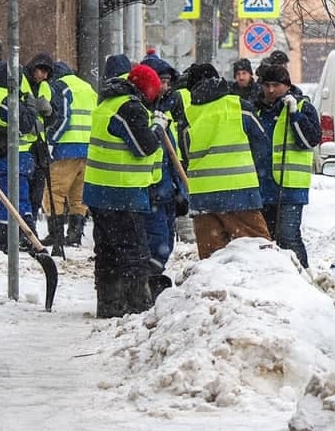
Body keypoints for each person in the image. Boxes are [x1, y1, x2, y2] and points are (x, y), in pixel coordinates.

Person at [83, 63, 165, 318]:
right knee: (134, 253)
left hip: (100, 192)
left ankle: (109, 305)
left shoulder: (108, 104)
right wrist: (158, 128)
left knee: (107, 252)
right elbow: (144, 147)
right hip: (122, 192)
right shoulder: (129, 108)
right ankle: (137, 307)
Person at [181, 74, 271, 258]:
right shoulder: (239, 107)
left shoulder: (190, 115)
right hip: (239, 192)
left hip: (202, 196)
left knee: (212, 259)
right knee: (258, 253)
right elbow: (262, 144)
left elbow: (185, 153)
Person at [250, 62, 321, 267]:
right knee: (265, 240)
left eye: (276, 85)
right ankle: (276, 280)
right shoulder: (257, 110)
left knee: (288, 237)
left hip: (290, 187)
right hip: (263, 187)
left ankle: (302, 278)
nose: (271, 90)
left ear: (287, 86)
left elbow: (308, 140)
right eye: (266, 85)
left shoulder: (302, 107)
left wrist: (294, 116)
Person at [0, 59, 51, 252]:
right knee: (20, 199)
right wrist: (31, 106)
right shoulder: (7, 100)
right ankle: (27, 236)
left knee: (0, 201)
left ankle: (4, 238)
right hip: (12, 156)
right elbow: (26, 122)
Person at [139, 54, 190, 296]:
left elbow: (173, 157)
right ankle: (147, 283)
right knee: (157, 242)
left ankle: (152, 279)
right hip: (152, 192)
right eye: (161, 82)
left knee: (166, 241)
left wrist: (180, 190)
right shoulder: (142, 111)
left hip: (167, 190)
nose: (166, 87)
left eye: (168, 82)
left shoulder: (167, 111)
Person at [44, 61, 96, 254]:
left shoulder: (59, 86)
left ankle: (55, 234)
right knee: (79, 194)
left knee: (54, 192)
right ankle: (75, 233)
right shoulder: (87, 87)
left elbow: (63, 117)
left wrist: (52, 139)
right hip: (89, 148)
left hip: (66, 147)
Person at [21, 53, 55, 236]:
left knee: (36, 193)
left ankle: (31, 228)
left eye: (47, 73)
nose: (43, 76)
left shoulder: (46, 88)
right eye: (41, 71)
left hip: (39, 146)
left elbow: (52, 117)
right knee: (23, 193)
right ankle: (25, 229)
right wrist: (31, 107)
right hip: (23, 146)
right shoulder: (20, 82)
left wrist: (49, 112)